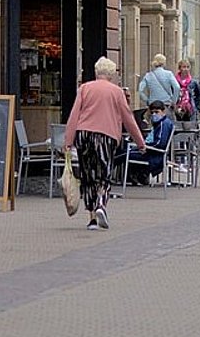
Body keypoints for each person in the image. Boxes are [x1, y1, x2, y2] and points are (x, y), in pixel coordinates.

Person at [63, 57, 147, 230]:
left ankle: (92, 218)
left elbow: (74, 115)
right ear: (112, 74)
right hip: (106, 136)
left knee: (88, 176)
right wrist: (140, 141)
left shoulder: (84, 88)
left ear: (96, 72)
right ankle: (101, 204)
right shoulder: (116, 92)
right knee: (104, 173)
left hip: (84, 135)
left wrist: (68, 141)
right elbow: (127, 118)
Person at [122, 99, 177, 184]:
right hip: (152, 152)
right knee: (126, 152)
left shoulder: (163, 124)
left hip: (154, 155)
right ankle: (137, 175)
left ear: (163, 111)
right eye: (152, 113)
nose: (154, 115)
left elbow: (160, 143)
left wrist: (145, 148)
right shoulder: (160, 123)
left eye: (156, 112)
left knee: (123, 154)